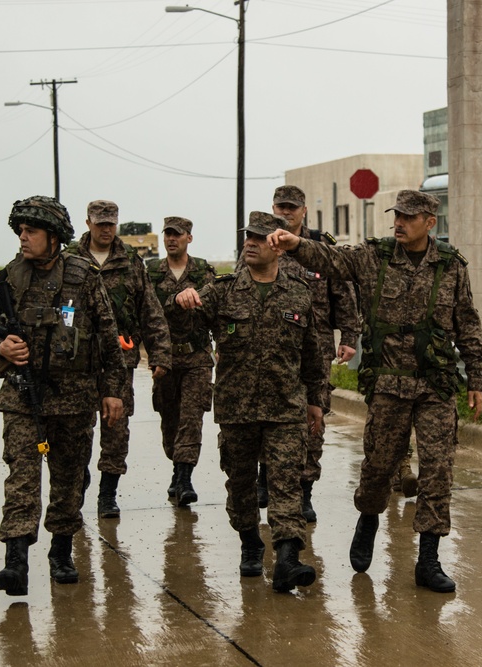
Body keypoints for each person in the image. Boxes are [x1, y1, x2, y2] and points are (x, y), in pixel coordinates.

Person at [268, 189, 482, 593]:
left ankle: (428, 559)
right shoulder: (376, 257)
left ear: (429, 222)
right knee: (378, 468)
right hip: (388, 384)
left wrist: (475, 377)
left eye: (408, 216)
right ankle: (368, 518)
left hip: (436, 385)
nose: (399, 222)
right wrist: (297, 243)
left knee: (438, 470)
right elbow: (333, 260)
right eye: (397, 215)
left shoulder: (451, 267)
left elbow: (467, 323)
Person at [0, 196, 127, 596]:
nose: (23, 238)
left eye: (31, 232)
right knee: (21, 478)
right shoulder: (9, 277)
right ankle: (16, 561)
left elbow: (109, 341)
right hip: (23, 398)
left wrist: (112, 393)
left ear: (53, 237)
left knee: (69, 481)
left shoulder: (83, 276)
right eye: (20, 231)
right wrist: (0, 347)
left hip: (75, 400)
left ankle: (61, 552)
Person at [177, 211, 327, 593]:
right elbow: (179, 324)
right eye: (248, 237)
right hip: (237, 408)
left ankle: (288, 558)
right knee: (241, 484)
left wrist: (315, 400)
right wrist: (181, 300)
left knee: (286, 484)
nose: (251, 243)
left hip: (285, 408)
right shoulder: (223, 290)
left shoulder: (298, 292)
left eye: (260, 238)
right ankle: (249, 542)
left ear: (277, 245)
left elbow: (312, 353)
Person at [244, 185, 360, 522]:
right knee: (270, 413)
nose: (286, 212)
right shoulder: (260, 244)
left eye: (292, 207)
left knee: (315, 419)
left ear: (304, 210)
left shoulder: (320, 248)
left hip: (318, 347)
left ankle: (305, 490)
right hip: (271, 347)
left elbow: (343, 293)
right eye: (281, 206)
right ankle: (267, 476)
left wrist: (349, 336)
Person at [65, 200, 172, 518]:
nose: (106, 229)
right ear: (88, 224)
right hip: (78, 362)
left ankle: (107, 494)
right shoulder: (70, 259)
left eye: (111, 223)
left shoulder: (130, 261)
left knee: (116, 429)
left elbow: (150, 310)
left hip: (120, 360)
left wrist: (159, 353)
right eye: (100, 223)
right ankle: (77, 482)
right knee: (76, 429)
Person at [146, 217, 217, 506]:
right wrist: (174, 300)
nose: (172, 239)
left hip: (197, 356)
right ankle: (177, 468)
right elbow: (146, 311)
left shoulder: (202, 271)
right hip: (165, 357)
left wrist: (197, 298)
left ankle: (185, 477)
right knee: (170, 420)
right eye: (168, 235)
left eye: (178, 234)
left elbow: (215, 305)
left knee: (191, 417)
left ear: (189, 238)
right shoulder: (151, 272)